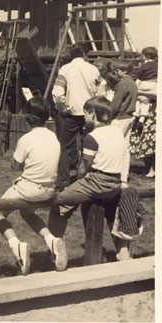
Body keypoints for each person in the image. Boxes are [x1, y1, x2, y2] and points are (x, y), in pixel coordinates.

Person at [48, 96, 129, 263]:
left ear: (93, 114)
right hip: (115, 182)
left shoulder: (93, 137)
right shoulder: (118, 132)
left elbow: (84, 168)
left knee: (59, 203)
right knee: (104, 211)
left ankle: (53, 248)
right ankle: (123, 253)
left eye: (85, 114)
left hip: (96, 181)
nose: (84, 117)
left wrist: (75, 183)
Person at [0, 97, 66, 275]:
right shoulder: (53, 135)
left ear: (27, 117)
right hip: (48, 189)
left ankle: (17, 246)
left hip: (30, 188)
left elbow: (14, 165)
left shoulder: (26, 139)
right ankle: (51, 240)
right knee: (27, 213)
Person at [52, 43, 99, 190]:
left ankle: (63, 183)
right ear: (85, 54)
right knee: (90, 146)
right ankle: (88, 178)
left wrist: (64, 108)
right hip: (90, 114)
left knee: (64, 147)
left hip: (72, 114)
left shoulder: (65, 69)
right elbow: (99, 93)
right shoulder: (94, 69)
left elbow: (57, 92)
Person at [109, 59, 138, 187]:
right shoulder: (133, 83)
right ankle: (123, 177)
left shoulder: (122, 85)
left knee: (113, 146)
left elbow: (115, 105)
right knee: (125, 148)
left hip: (119, 118)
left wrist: (108, 116)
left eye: (117, 70)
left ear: (124, 71)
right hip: (130, 116)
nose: (116, 73)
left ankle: (112, 174)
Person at [130, 48, 157, 179]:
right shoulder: (157, 66)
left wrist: (139, 92)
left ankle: (139, 116)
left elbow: (138, 77)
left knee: (148, 138)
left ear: (145, 56)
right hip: (152, 98)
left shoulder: (144, 66)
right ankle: (150, 168)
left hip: (151, 102)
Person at [134, 47, 157, 126]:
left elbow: (139, 76)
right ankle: (142, 117)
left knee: (139, 99)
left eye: (143, 55)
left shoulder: (144, 65)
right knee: (147, 101)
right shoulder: (158, 64)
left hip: (144, 83)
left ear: (147, 56)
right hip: (153, 84)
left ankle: (136, 114)